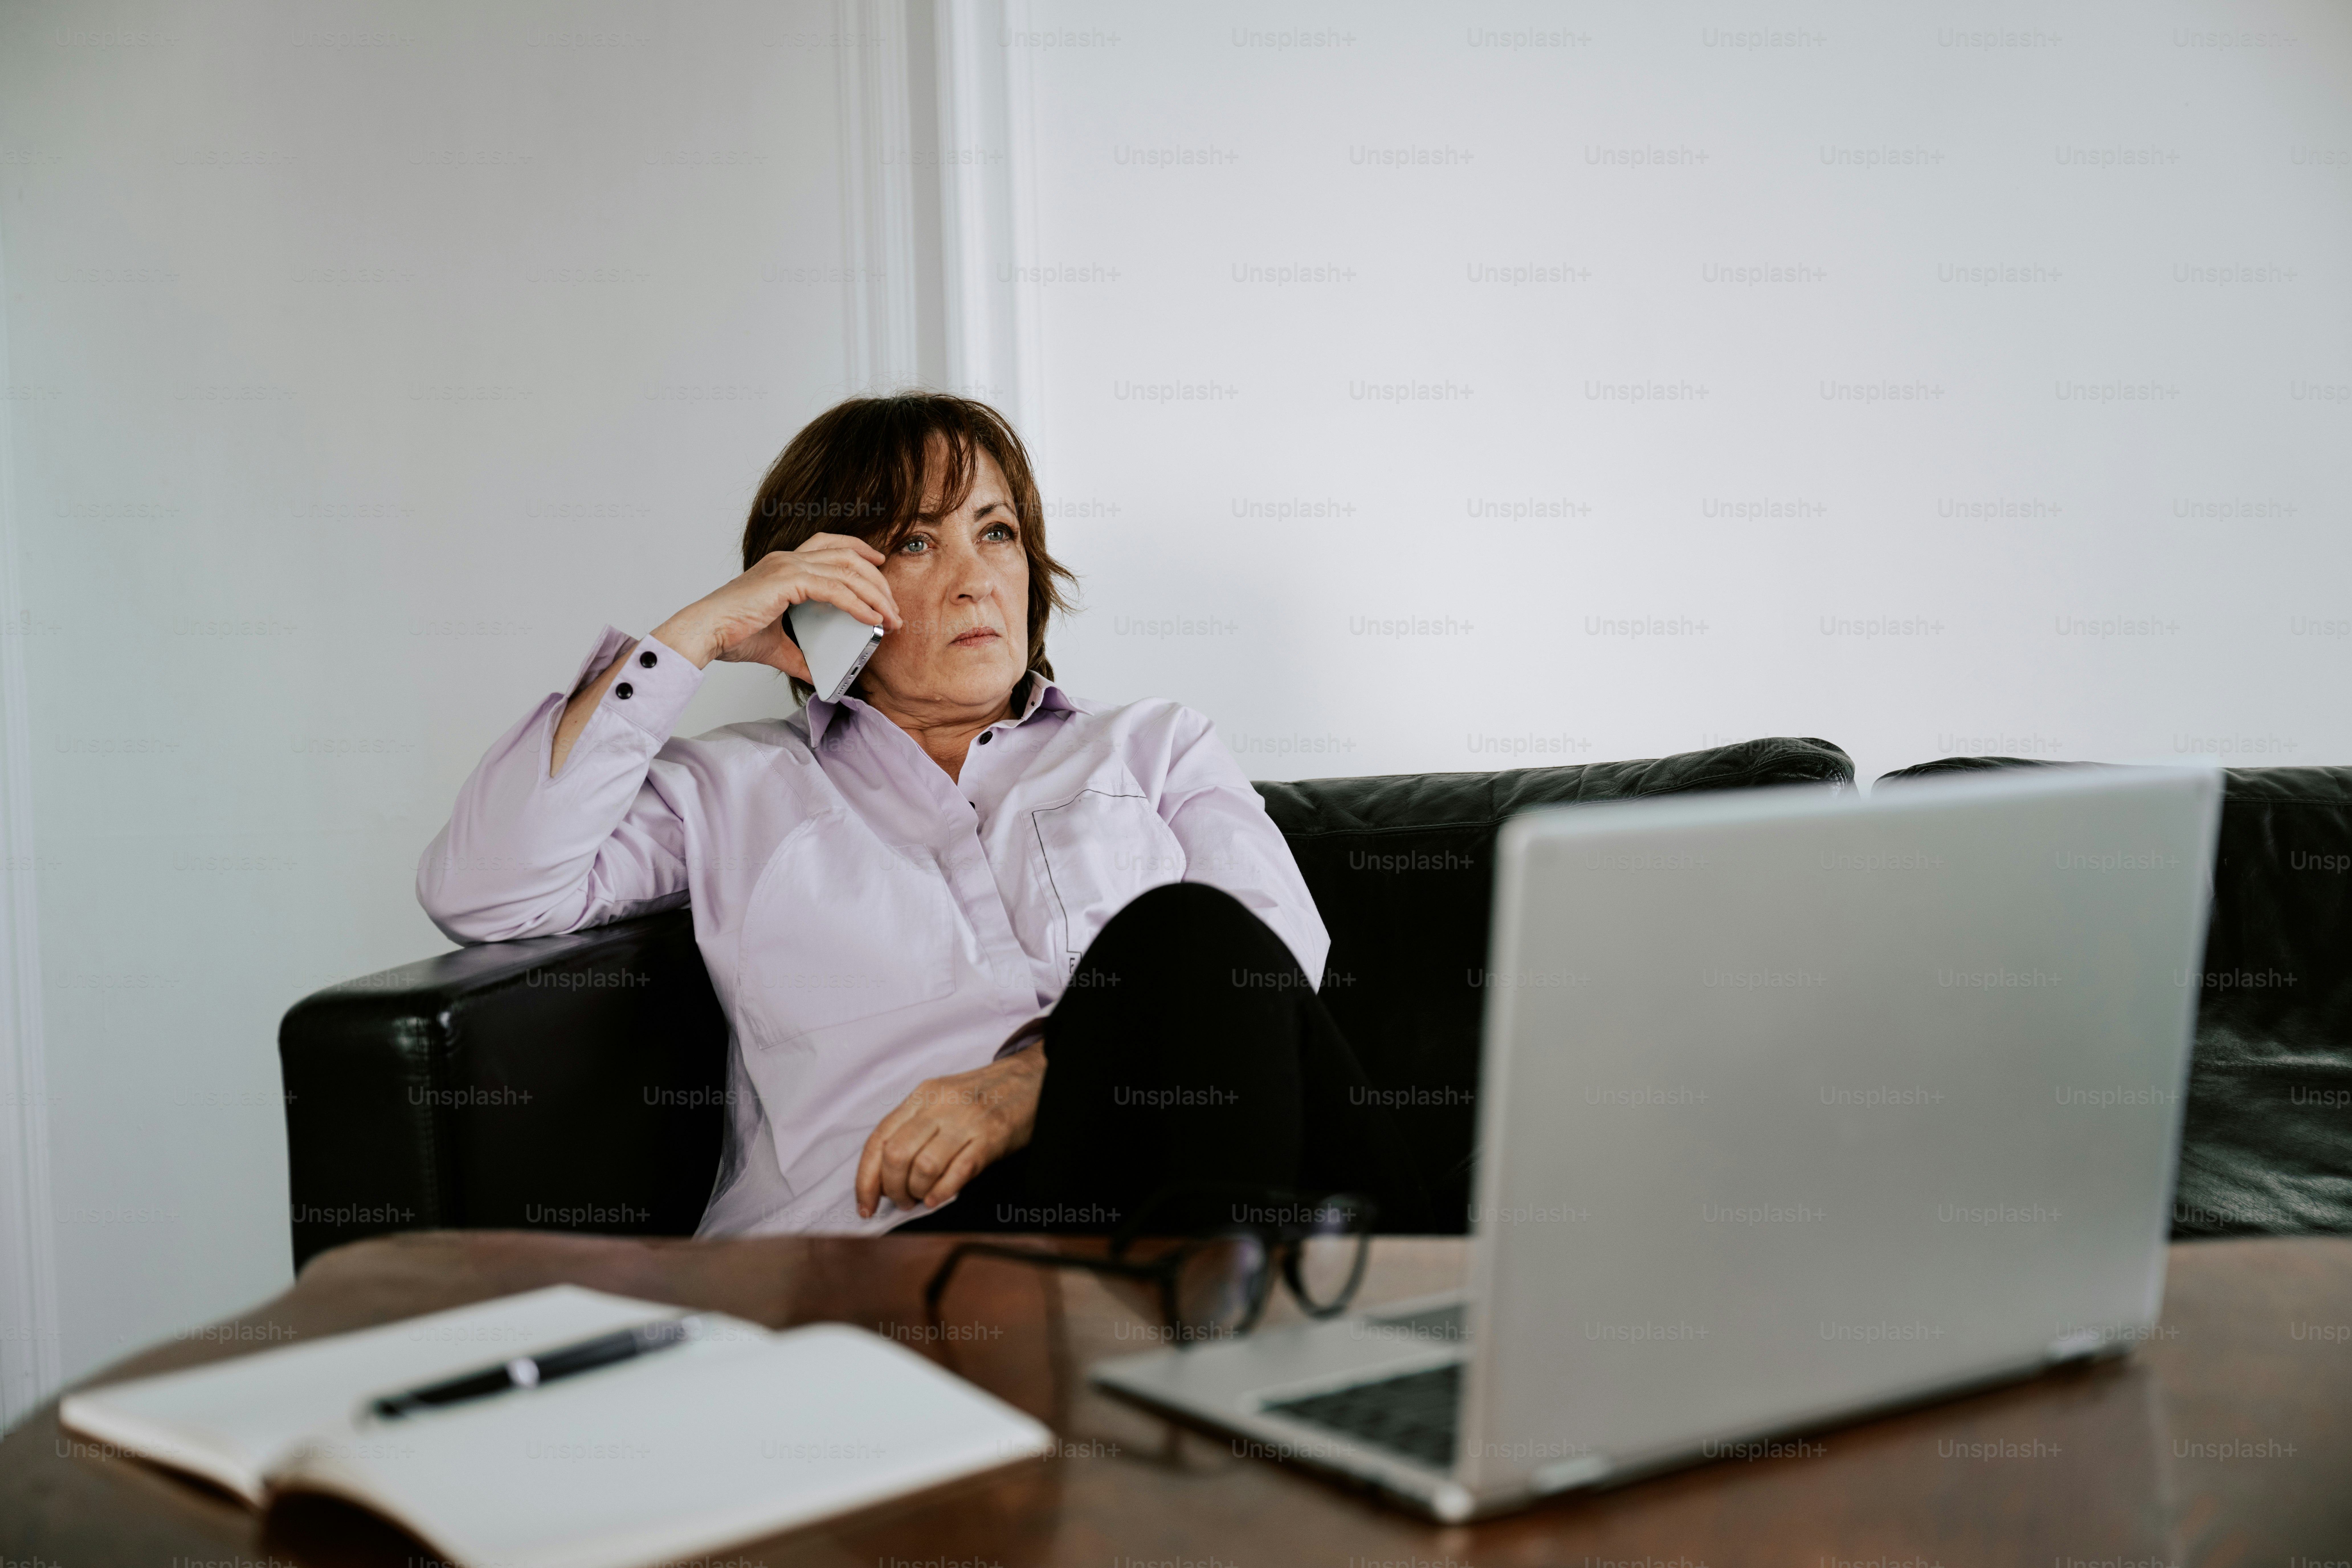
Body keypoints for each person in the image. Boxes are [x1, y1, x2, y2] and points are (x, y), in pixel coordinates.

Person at [418, 393, 1426, 1236]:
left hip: (1161, 1175)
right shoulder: (727, 791)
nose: (978, 576)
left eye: (997, 531)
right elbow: (485, 888)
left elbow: (1266, 971)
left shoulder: (1155, 747)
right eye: (914, 541)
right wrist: (698, 633)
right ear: (821, 592)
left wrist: (1035, 1083)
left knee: (1194, 938)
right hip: (896, 1236)